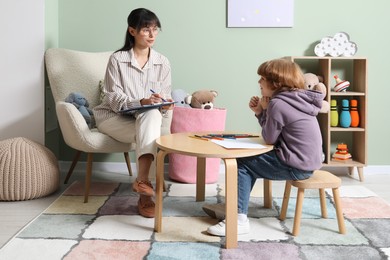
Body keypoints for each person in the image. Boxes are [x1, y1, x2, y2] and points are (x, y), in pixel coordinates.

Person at [206, 58, 324, 236]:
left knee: (242, 164)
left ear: (276, 83)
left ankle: (238, 219)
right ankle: (236, 207)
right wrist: (263, 112)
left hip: (295, 166)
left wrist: (263, 112)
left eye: (262, 78)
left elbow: (269, 138)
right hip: (308, 163)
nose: (259, 82)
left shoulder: (279, 103)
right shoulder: (298, 98)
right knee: (248, 161)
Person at [93, 8, 174, 218]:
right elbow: (112, 98)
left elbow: (164, 95)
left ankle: (142, 184)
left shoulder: (162, 62)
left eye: (155, 29)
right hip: (114, 117)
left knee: (151, 116)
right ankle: (145, 194)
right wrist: (141, 101)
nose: (152, 34)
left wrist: (165, 104)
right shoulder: (117, 60)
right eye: (146, 29)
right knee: (150, 131)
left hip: (146, 118)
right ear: (132, 31)